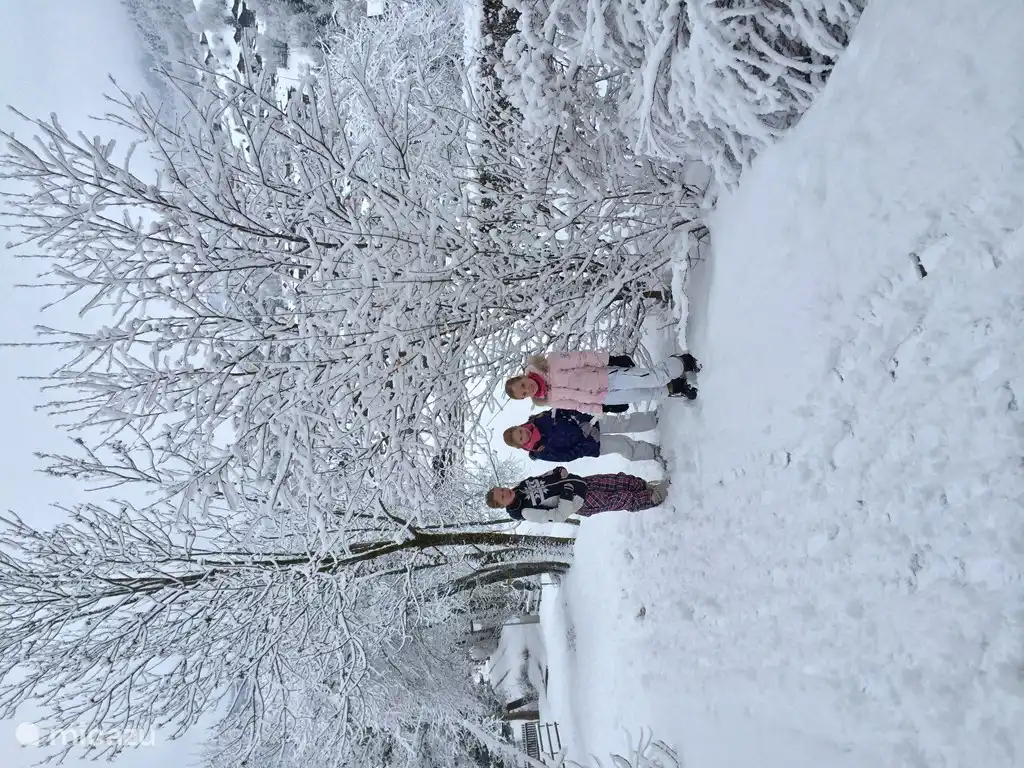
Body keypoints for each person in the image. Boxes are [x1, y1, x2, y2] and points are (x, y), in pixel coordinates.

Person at [504, 350, 699, 413]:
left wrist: (610, 360)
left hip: (606, 377)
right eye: (524, 394)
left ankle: (683, 361)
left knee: (652, 378)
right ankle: (677, 386)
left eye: (523, 385)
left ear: (523, 376)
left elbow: (582, 358)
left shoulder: (550, 363)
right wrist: (603, 408)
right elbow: (578, 406)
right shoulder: (551, 400)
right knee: (646, 394)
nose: (528, 389)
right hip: (604, 398)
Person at [486, 466, 668, 523]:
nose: (505, 492)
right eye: (502, 497)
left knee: (617, 480)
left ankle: (646, 486)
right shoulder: (526, 512)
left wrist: (557, 471)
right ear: (502, 505)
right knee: (619, 499)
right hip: (579, 501)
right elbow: (558, 516)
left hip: (579, 483)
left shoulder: (521, 487)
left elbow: (544, 477)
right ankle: (653, 498)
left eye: (502, 489)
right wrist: (566, 496)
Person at [502, 408, 661, 463]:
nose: (524, 434)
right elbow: (567, 456)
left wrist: (582, 421)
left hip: (591, 422)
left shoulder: (538, 419)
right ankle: (654, 452)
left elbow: (562, 409)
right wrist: (588, 441)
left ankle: (654, 419)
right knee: (622, 445)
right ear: (521, 445)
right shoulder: (540, 451)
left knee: (623, 422)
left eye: (520, 430)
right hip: (592, 444)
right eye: (521, 438)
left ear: (520, 426)